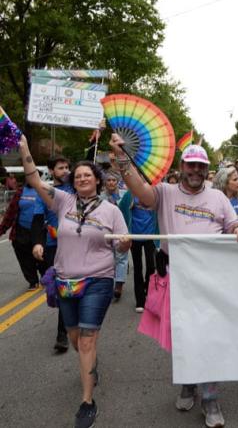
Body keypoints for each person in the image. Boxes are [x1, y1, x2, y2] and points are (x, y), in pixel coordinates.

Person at [109, 136, 238, 428]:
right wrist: (122, 159)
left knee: (209, 339)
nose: (196, 171)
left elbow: (232, 223)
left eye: (201, 166)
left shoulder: (218, 197)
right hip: (174, 276)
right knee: (182, 338)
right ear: (182, 165)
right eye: (191, 165)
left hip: (211, 279)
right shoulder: (165, 192)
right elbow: (141, 192)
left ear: (206, 168)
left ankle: (210, 400)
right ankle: (188, 385)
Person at [18, 135, 131, 428]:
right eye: (77, 175)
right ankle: (90, 365)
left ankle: (87, 401)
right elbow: (33, 179)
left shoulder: (112, 211)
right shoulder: (63, 202)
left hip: (98, 279)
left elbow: (121, 246)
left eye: (87, 175)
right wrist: (25, 149)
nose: (81, 178)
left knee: (88, 338)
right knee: (74, 338)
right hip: (66, 279)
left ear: (97, 179)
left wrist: (124, 243)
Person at [31, 155, 73, 353]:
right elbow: (38, 219)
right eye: (60, 168)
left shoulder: (75, 188)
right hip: (52, 246)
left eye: (67, 167)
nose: (65, 171)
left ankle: (62, 335)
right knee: (59, 289)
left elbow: (90, 167)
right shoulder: (45, 191)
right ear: (51, 170)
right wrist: (38, 242)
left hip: (74, 245)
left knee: (67, 287)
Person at [0, 182, 46, 290]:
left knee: (42, 257)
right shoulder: (20, 192)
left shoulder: (44, 190)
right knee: (25, 259)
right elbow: (10, 213)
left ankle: (45, 277)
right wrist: (2, 229)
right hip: (21, 231)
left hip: (40, 231)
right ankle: (33, 281)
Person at [119, 189, 159, 312]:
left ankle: (148, 287)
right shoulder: (129, 194)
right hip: (134, 235)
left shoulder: (154, 193)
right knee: (138, 268)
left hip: (151, 235)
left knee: (151, 266)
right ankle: (140, 301)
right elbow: (120, 211)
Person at [100, 170, 128, 300]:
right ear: (105, 182)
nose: (111, 182)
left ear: (117, 182)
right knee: (108, 258)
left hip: (121, 230)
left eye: (114, 180)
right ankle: (108, 282)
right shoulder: (100, 197)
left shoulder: (124, 195)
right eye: (108, 180)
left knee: (121, 257)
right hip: (105, 231)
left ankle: (119, 285)